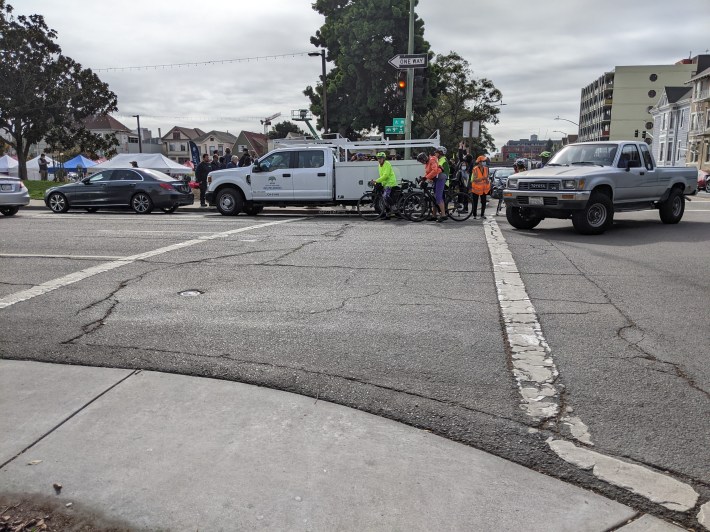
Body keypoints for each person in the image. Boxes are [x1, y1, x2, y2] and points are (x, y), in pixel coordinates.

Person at [418, 151, 446, 222]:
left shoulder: (432, 160)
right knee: (433, 198)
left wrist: (426, 177)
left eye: (421, 161)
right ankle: (434, 216)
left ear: (423, 159)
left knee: (438, 197)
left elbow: (434, 170)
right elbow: (427, 173)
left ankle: (443, 215)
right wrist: (423, 179)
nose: (421, 163)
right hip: (435, 179)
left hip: (440, 178)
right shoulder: (427, 163)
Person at [371, 151, 397, 219]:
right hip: (385, 183)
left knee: (385, 196)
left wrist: (376, 180)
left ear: (384, 159)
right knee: (384, 199)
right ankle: (388, 215)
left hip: (390, 182)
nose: (379, 160)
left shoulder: (387, 164)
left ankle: (394, 207)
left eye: (381, 158)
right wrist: (377, 183)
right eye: (378, 158)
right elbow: (381, 175)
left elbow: (385, 175)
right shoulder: (379, 165)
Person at [470, 155, 490, 219]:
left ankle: (482, 214)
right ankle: (474, 215)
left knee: (483, 202)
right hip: (476, 189)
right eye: (483, 161)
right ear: (479, 162)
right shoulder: (475, 169)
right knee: (475, 202)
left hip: (484, 189)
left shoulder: (486, 169)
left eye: (484, 161)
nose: (484, 162)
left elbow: (487, 177)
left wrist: (487, 180)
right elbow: (473, 179)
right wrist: (482, 178)